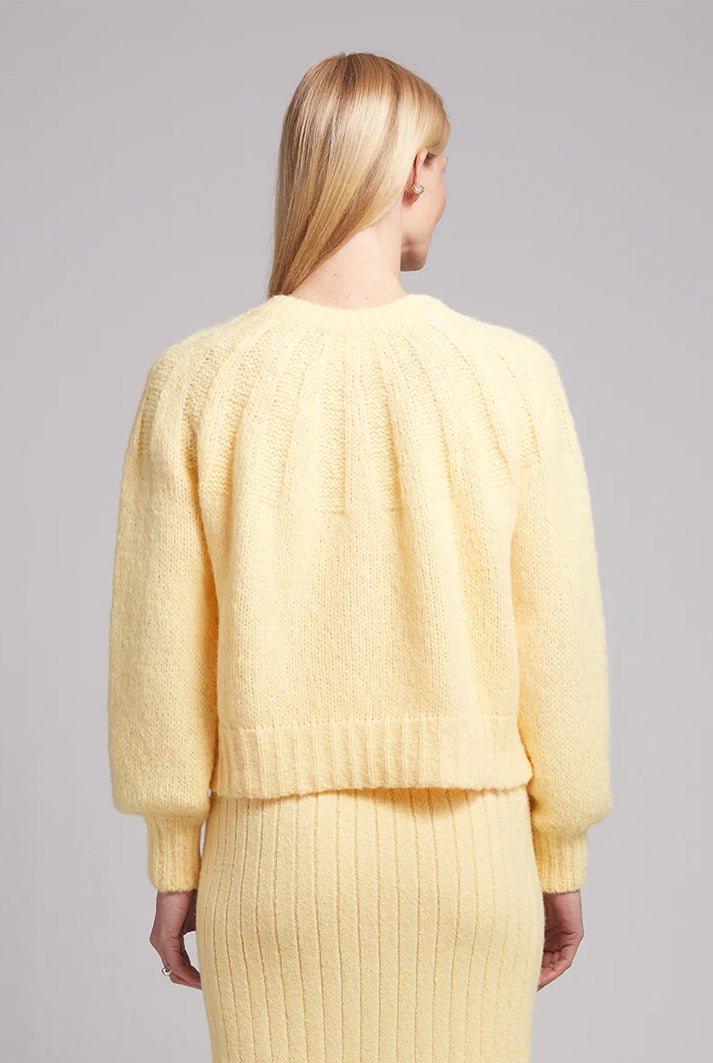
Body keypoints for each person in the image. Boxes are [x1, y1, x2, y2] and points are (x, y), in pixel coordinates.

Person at [107, 51, 612, 1063]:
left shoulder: (196, 381)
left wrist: (174, 860)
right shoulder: (511, 376)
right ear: (416, 171)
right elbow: (558, 640)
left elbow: (159, 656)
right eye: (443, 167)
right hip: (471, 869)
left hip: (272, 872)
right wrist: (558, 854)